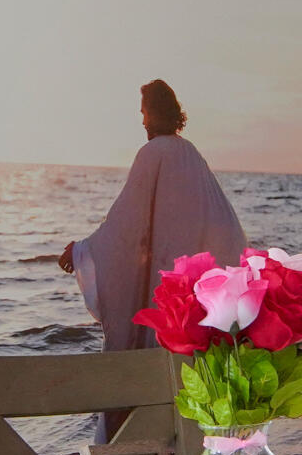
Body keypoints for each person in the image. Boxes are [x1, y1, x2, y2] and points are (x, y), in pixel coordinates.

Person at [60, 79, 246, 351]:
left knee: (160, 342)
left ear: (156, 112)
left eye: (144, 112)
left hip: (168, 274)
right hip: (192, 276)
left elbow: (124, 225)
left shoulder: (153, 152)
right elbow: (219, 215)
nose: (143, 122)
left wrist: (80, 252)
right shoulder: (189, 151)